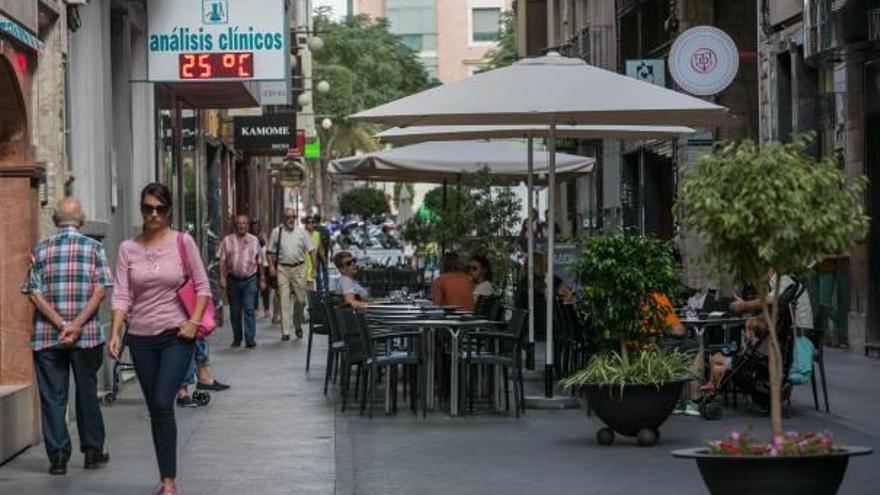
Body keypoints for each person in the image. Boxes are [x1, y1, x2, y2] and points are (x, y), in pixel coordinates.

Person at [109, 183, 211, 495]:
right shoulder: (128, 248)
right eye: (148, 208)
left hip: (176, 335)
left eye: (160, 209)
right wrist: (115, 333)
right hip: (140, 337)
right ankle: (166, 475)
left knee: (164, 401)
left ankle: (168, 484)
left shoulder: (183, 242)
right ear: (141, 209)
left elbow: (203, 286)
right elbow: (121, 294)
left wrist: (193, 322)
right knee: (156, 407)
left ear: (168, 211)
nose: (154, 214)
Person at [21, 197, 113, 475]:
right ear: (82, 220)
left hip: (47, 336)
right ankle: (92, 451)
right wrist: (76, 325)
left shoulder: (40, 250)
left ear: (54, 221)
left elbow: (34, 294)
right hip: (85, 337)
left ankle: (58, 457)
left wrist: (61, 323)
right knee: (86, 392)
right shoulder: (95, 248)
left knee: (52, 397)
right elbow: (100, 290)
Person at [267, 208, 316, 340]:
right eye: (288, 217)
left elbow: (312, 251)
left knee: (300, 300)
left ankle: (297, 324)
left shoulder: (302, 233)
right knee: (284, 299)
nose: (291, 219)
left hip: (299, 269)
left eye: (293, 217)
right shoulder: (277, 232)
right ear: (283, 218)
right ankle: (286, 331)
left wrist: (314, 269)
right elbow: (270, 251)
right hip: (282, 269)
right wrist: (271, 266)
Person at [219, 214, 265, 348]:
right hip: (233, 280)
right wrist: (222, 278)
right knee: (235, 311)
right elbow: (222, 261)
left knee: (249, 309)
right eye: (239, 223)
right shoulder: (227, 240)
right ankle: (237, 337)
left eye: (244, 223)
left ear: (248, 225)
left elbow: (260, 261)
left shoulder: (254, 240)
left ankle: (250, 338)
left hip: (250, 279)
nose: (241, 226)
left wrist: (262, 278)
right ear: (235, 225)